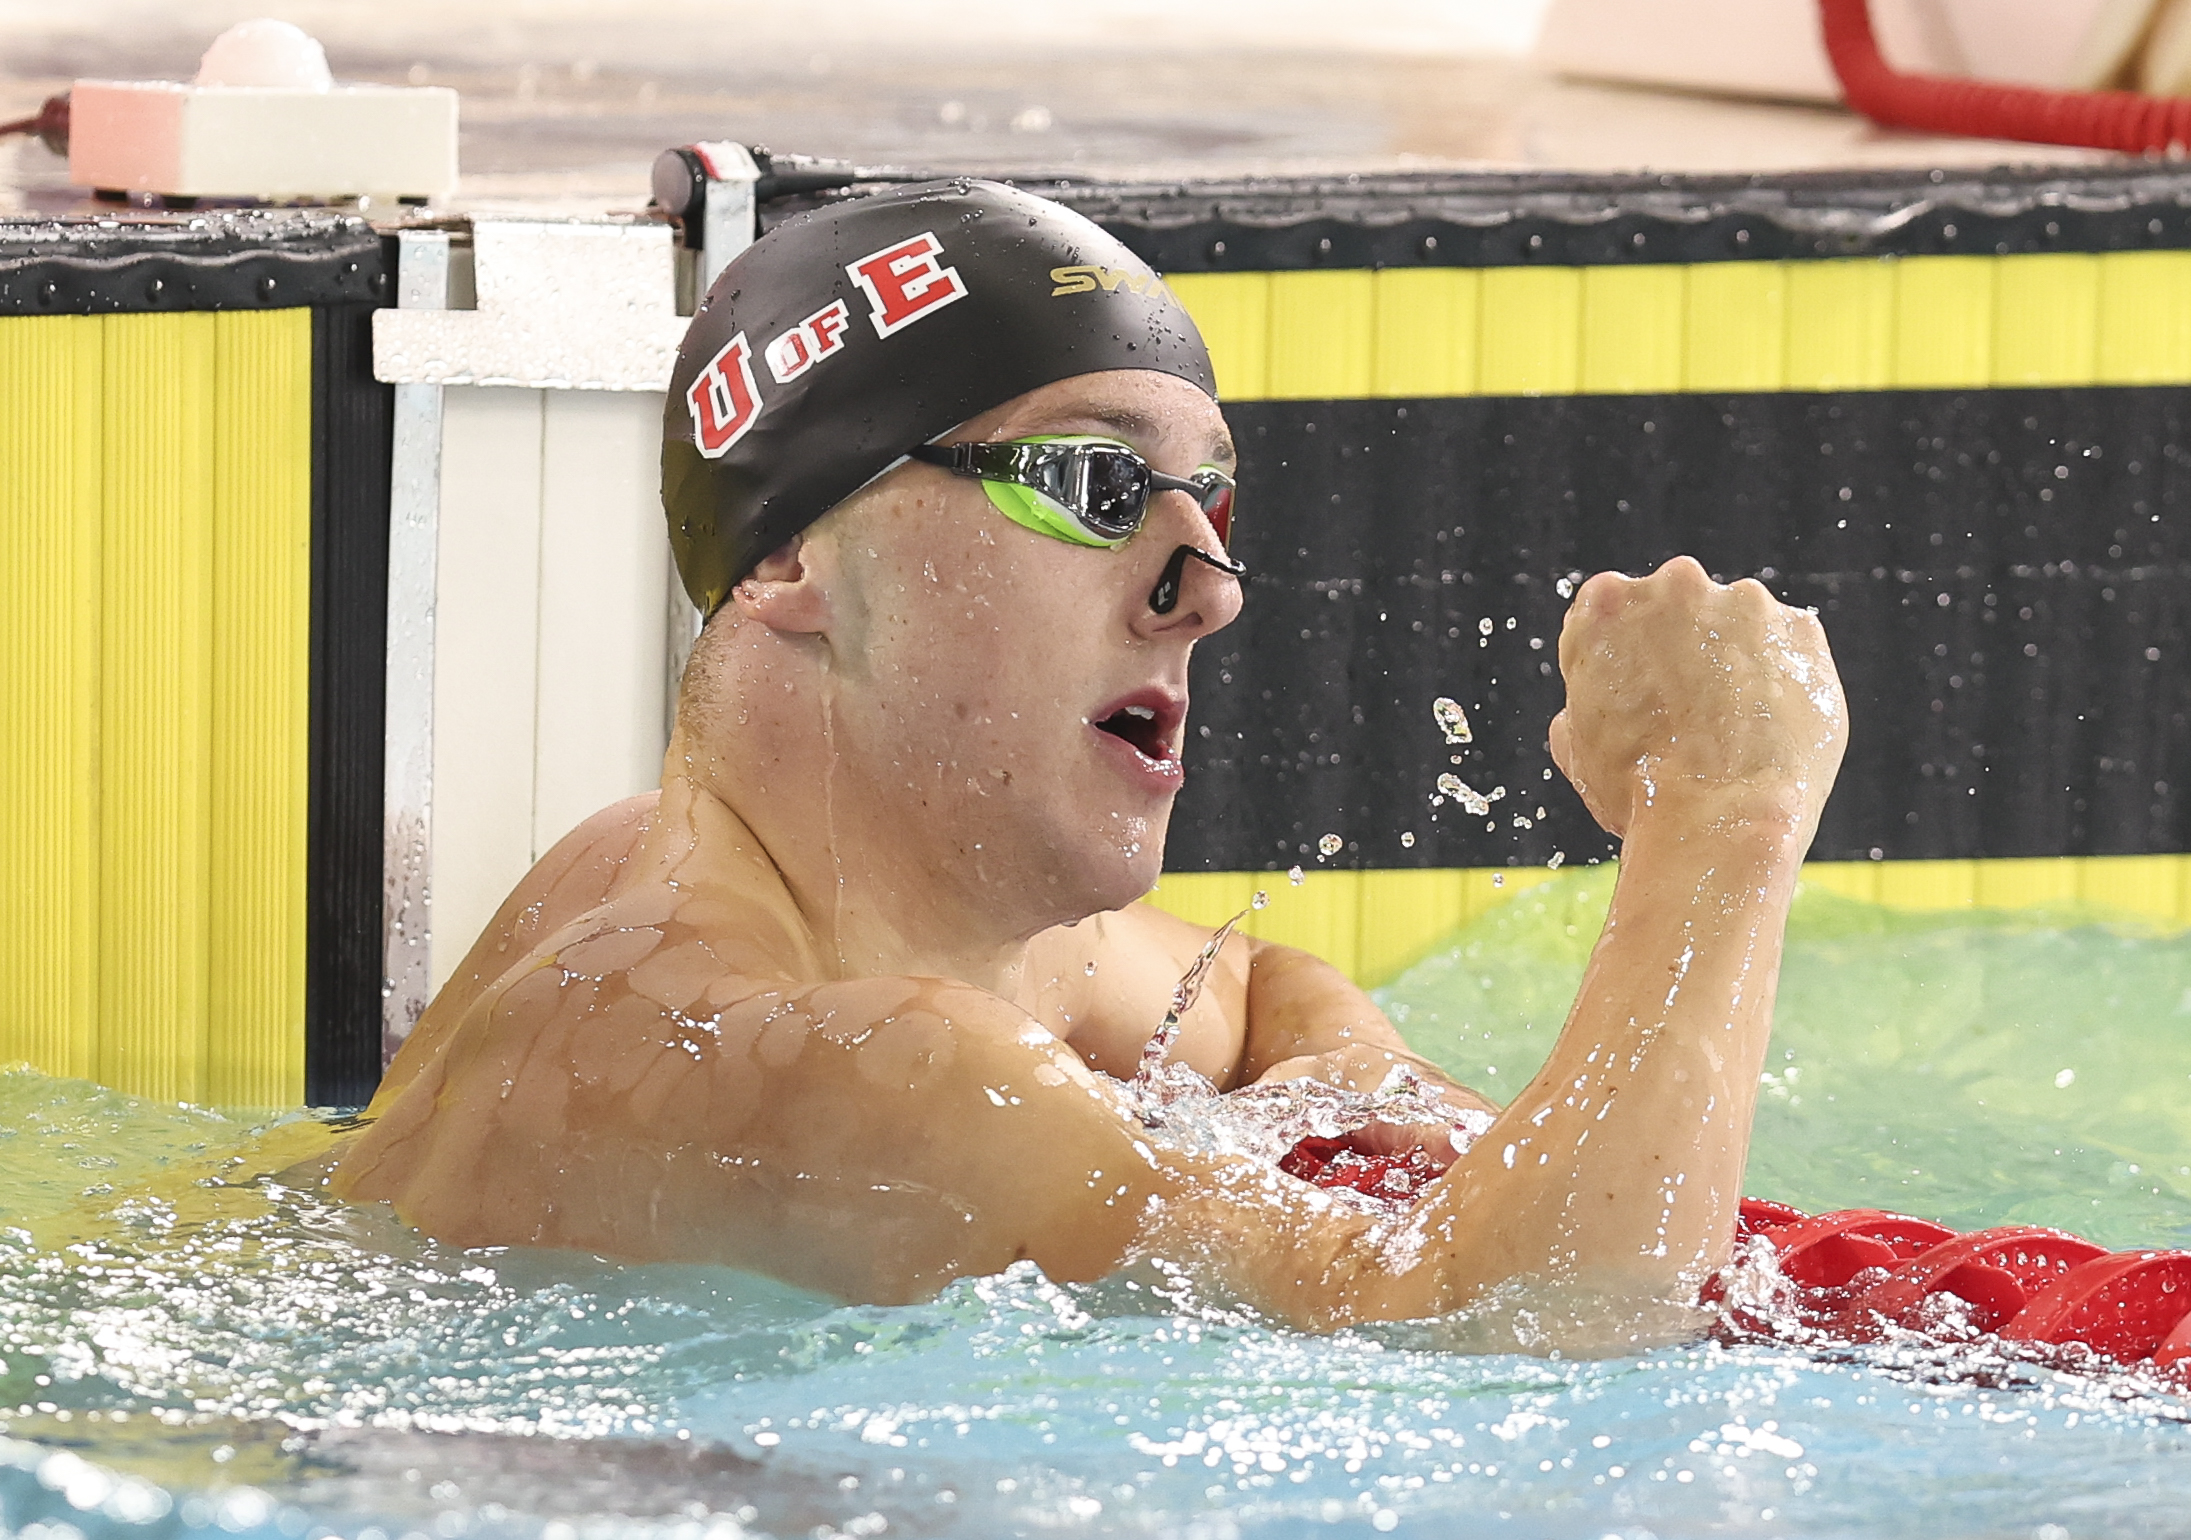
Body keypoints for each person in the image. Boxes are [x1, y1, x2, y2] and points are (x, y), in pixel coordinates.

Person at [330, 180, 1847, 1332]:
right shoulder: (861, 1076)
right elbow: (1524, 1324)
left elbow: (1249, 994)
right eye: (1092, 481)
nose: (1211, 587)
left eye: (1211, 508)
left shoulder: (665, 872)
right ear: (793, 556)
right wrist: (1725, 811)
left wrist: (1348, 1082)